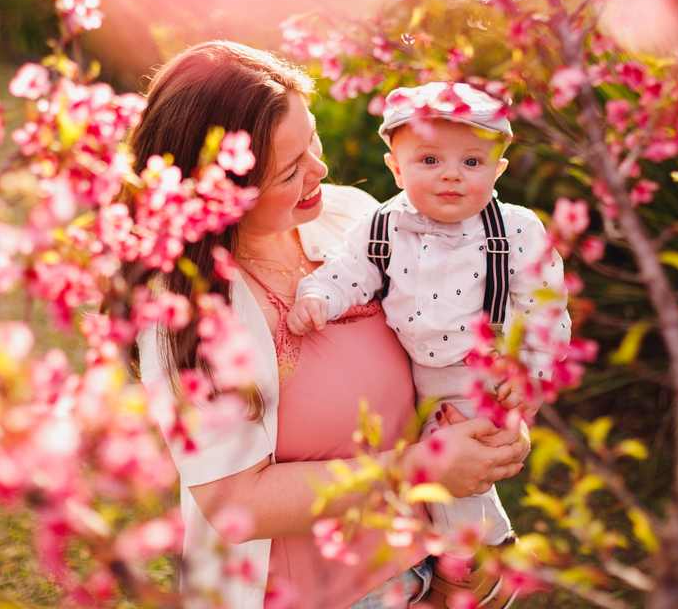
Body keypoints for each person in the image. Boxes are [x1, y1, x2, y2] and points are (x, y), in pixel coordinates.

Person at [127, 42, 529, 609]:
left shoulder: (354, 217)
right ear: (221, 197)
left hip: (426, 570)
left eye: (310, 139)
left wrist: (493, 408)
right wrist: (424, 468)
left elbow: (445, 326)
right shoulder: (189, 311)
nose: (318, 170)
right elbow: (235, 503)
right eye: (289, 171)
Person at [288, 82, 571, 607]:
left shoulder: (515, 231)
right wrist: (318, 298)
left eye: (472, 162)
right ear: (396, 168)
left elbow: (545, 307)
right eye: (430, 159)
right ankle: (475, 556)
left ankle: (477, 558)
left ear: (498, 171)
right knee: (432, 458)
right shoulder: (381, 225)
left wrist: (532, 373)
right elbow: (348, 273)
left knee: (459, 451)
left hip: (482, 372)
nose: (451, 174)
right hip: (413, 373)